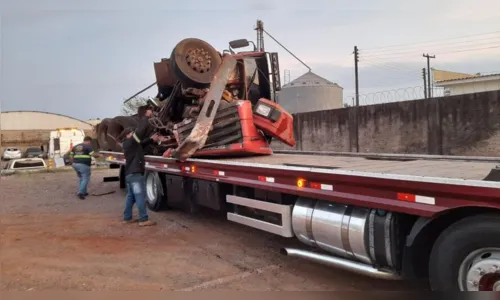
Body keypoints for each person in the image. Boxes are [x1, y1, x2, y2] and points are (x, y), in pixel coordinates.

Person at [120, 107, 159, 227]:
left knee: (131, 196)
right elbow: (141, 130)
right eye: (131, 133)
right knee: (140, 196)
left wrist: (151, 139)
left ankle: (127, 218)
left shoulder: (130, 144)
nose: (133, 134)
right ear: (127, 135)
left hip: (130, 174)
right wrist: (146, 116)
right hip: (136, 174)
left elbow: (141, 143)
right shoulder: (131, 141)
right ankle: (143, 219)